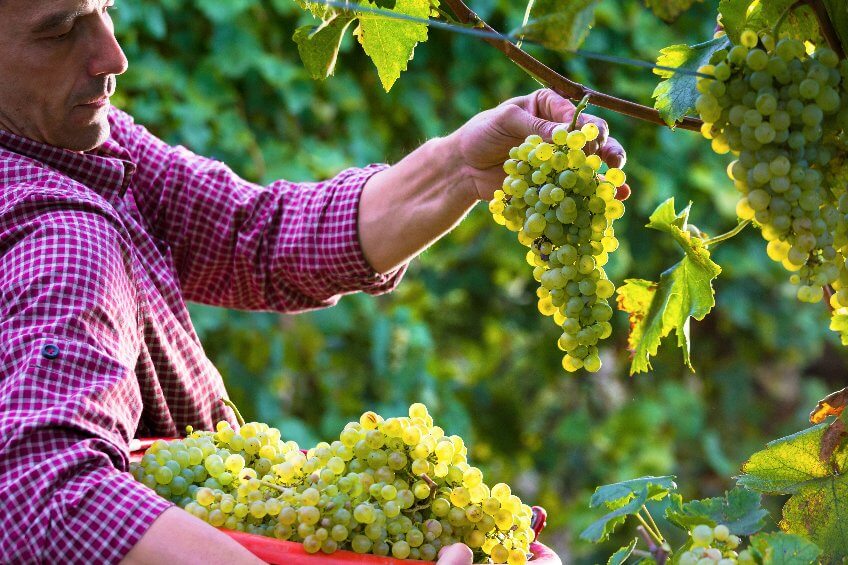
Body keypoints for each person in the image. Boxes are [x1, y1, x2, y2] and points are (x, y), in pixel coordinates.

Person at [0, 1, 628, 564]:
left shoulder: (75, 143)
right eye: (58, 31)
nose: (113, 54)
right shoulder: (60, 237)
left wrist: (458, 167)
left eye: (105, 7)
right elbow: (42, 499)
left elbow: (256, 238)